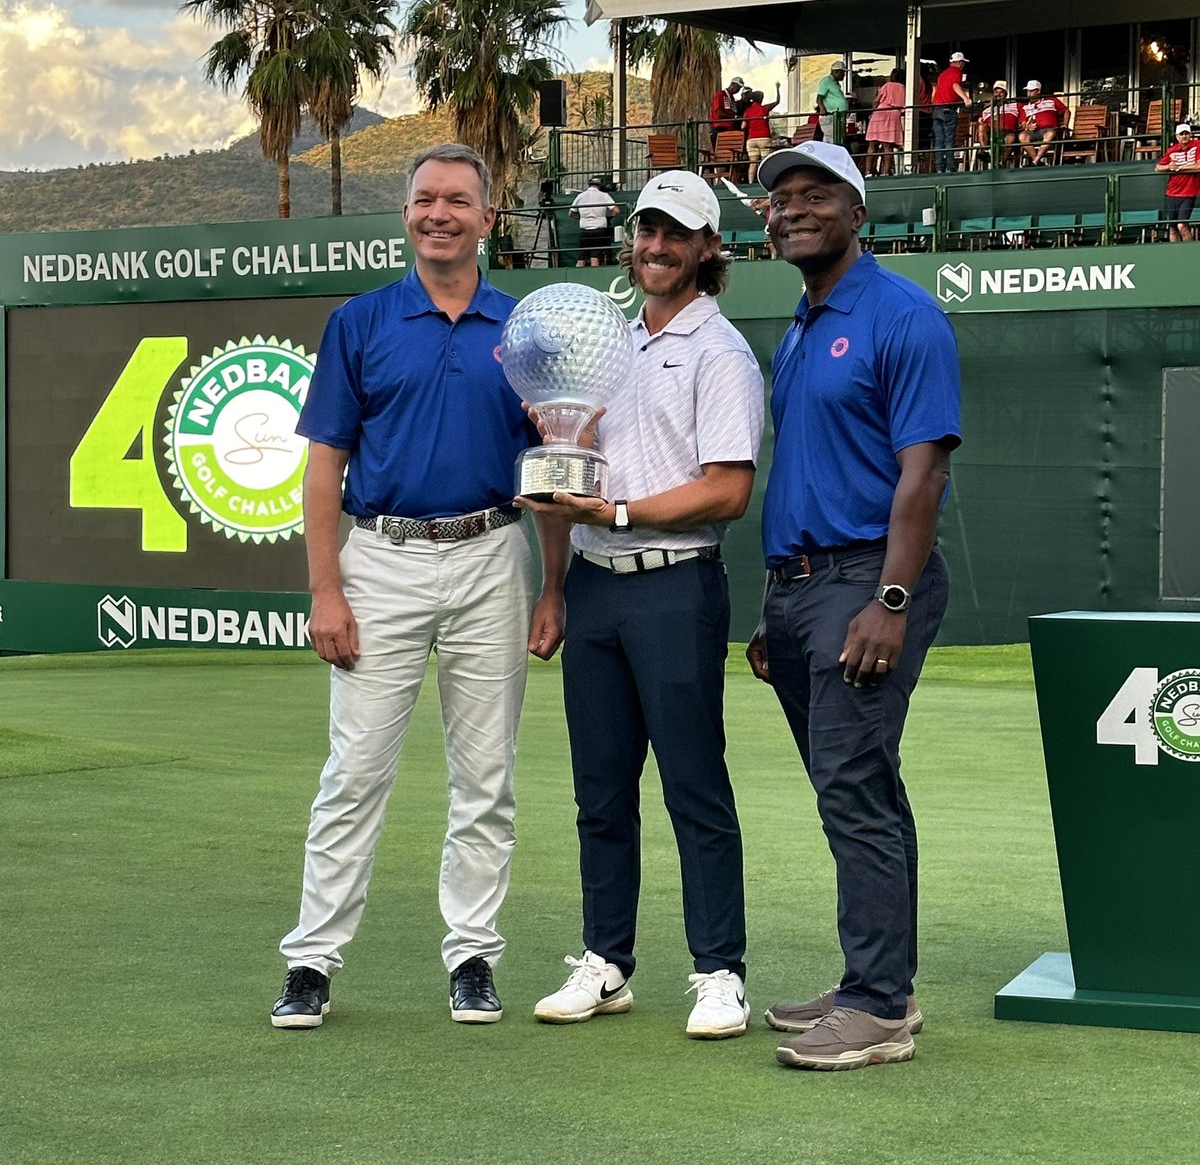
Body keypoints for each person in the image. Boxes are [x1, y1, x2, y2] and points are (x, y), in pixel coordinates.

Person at [270, 143, 568, 1031]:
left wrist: (555, 588)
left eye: (458, 201)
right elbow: (325, 467)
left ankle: (473, 956)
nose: (439, 213)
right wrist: (327, 590)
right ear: (407, 215)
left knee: (486, 777)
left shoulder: (525, 329)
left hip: (491, 554)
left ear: (488, 218)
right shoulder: (360, 322)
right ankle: (311, 962)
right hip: (383, 557)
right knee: (355, 772)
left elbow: (549, 465)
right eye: (424, 200)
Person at [517, 170, 765, 1040]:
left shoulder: (719, 351)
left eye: (672, 233)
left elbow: (727, 490)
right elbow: (570, 467)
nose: (654, 246)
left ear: (706, 249)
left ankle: (718, 972)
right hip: (593, 586)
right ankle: (607, 961)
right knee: (599, 794)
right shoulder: (610, 345)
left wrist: (616, 512)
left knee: (695, 788)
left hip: (675, 585)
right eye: (643, 232)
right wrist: (553, 577)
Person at [749, 140, 962, 1071]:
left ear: (857, 208)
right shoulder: (800, 327)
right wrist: (776, 607)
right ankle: (881, 982)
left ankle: (876, 1010)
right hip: (801, 587)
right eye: (780, 198)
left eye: (815, 193)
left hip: (868, 581)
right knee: (864, 787)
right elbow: (805, 471)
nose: (793, 208)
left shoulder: (902, 314)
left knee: (853, 791)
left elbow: (924, 472)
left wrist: (891, 598)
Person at [1157, 123, 1200, 242]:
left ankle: (1190, 254)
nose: (1184, 136)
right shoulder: (1172, 150)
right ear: (1177, 136)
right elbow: (1158, 167)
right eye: (1182, 134)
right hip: (1171, 193)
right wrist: (1169, 167)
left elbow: (1198, 166)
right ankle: (1174, 256)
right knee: (1172, 227)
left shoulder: (1198, 145)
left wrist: (1180, 168)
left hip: (1188, 194)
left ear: (1190, 135)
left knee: (1182, 226)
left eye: (1187, 133)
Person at [931, 51, 970, 173]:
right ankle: (950, 167)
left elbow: (936, 90)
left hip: (937, 109)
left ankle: (938, 168)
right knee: (949, 139)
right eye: (962, 62)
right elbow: (955, 86)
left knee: (939, 140)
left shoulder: (943, 74)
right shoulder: (956, 72)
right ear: (959, 62)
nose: (963, 65)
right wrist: (965, 98)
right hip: (948, 109)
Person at [570, 176, 621, 267]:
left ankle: (576, 277)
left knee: (581, 258)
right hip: (599, 230)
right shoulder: (604, 195)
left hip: (585, 230)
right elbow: (616, 211)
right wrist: (607, 215)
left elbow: (571, 213)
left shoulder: (580, 196)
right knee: (595, 257)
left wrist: (581, 217)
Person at [864, 69, 907, 177]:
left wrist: (873, 111)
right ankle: (886, 172)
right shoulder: (903, 88)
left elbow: (876, 100)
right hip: (894, 114)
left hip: (880, 112)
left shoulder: (887, 85)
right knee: (888, 145)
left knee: (872, 143)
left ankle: (868, 171)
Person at [1018, 80, 1068, 166]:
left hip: (1048, 130)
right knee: (1022, 136)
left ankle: (1035, 161)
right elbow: (1023, 124)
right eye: (1028, 91)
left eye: (1032, 91)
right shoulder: (1025, 107)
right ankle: (1037, 161)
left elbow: (1066, 111)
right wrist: (1027, 126)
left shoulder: (1051, 100)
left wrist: (1065, 124)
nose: (1029, 93)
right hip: (1033, 132)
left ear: (1038, 91)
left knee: (1049, 133)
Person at [975, 81, 1021, 167]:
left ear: (1006, 94)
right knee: (981, 126)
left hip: (1008, 132)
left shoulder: (1015, 105)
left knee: (1011, 138)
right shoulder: (987, 109)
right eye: (996, 92)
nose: (998, 94)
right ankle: (985, 151)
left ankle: (1000, 162)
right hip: (991, 134)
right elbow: (981, 123)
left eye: (1001, 92)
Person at [744, 83, 782, 183]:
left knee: (753, 163)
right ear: (761, 99)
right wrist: (777, 88)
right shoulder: (764, 109)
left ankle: (750, 183)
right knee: (765, 162)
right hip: (764, 137)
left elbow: (743, 126)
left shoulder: (748, 111)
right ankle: (765, 182)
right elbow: (777, 101)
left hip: (751, 139)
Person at [816, 61, 851, 143]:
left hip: (837, 116)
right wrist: (822, 108)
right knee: (832, 139)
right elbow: (819, 97)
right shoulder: (826, 81)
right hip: (830, 115)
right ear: (836, 72)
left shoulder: (835, 83)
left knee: (836, 138)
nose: (844, 75)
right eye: (843, 73)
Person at [710, 76, 744, 149]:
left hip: (730, 128)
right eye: (738, 88)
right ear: (732, 85)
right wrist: (734, 117)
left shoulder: (732, 98)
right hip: (720, 127)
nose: (738, 90)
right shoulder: (721, 95)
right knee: (720, 149)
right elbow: (719, 112)